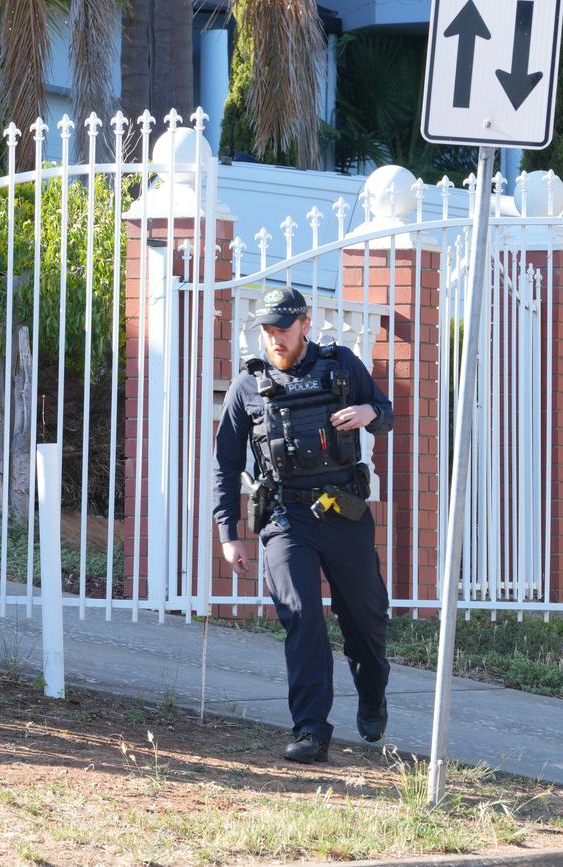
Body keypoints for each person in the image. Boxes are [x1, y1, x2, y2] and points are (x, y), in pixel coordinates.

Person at [213, 286, 393, 764]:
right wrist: (228, 533)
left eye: (283, 331)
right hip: (284, 518)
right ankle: (311, 729)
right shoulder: (248, 385)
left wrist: (369, 411)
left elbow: (386, 413)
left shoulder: (342, 365)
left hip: (343, 511)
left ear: (305, 326)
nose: (275, 340)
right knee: (303, 619)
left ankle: (373, 692)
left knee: (365, 617)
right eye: (268, 332)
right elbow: (225, 464)